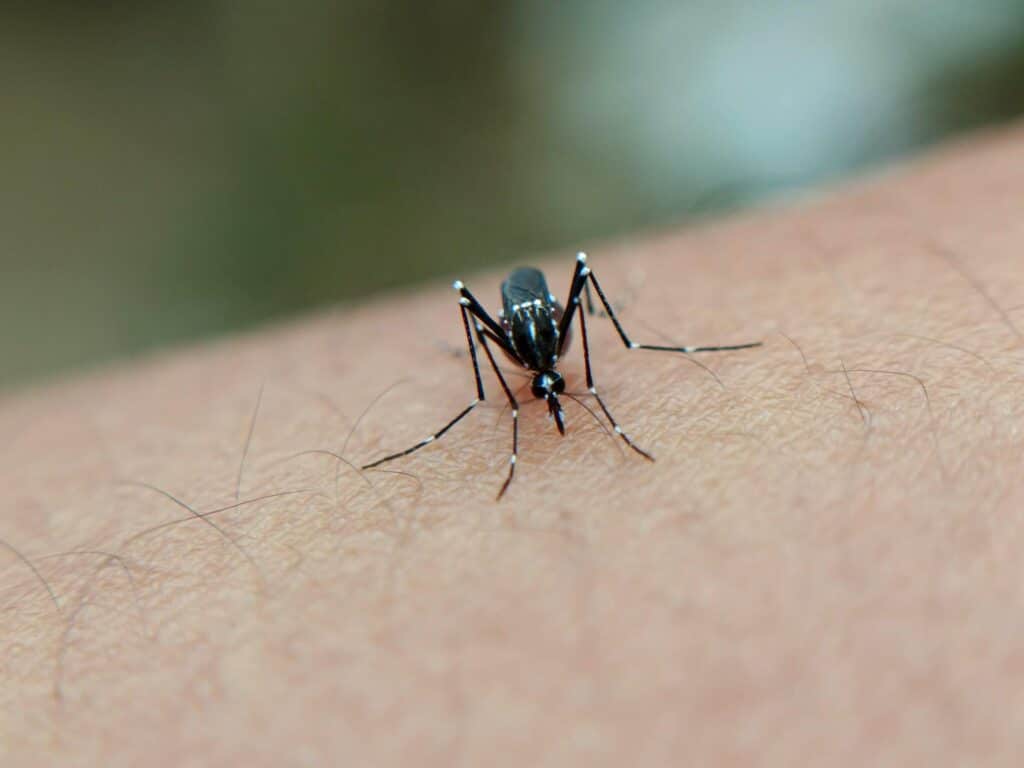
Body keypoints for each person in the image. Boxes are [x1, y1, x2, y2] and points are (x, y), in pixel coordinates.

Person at [2, 126, 1023, 765]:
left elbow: (566, 295)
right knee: (475, 305)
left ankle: (638, 344)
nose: (552, 398)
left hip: (545, 300)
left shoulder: (560, 343)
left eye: (549, 391)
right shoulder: (515, 352)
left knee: (575, 272)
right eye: (546, 391)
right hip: (505, 316)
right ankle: (470, 417)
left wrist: (603, 369)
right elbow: (499, 333)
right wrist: (494, 409)